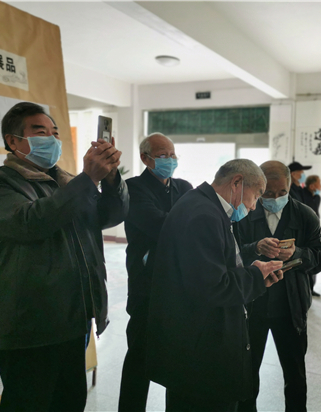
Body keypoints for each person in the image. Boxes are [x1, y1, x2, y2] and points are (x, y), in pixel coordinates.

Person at [0, 101, 129, 411]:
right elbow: (31, 222)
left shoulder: (66, 182)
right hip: (32, 327)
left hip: (75, 320)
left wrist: (110, 178)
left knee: (69, 402)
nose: (51, 139)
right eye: (40, 132)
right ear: (13, 141)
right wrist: (87, 180)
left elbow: (109, 216)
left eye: (54, 133)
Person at [146, 159, 285, 411]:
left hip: (193, 344)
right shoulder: (204, 215)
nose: (254, 206)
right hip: (201, 352)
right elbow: (214, 287)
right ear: (237, 182)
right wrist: (255, 275)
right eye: (256, 196)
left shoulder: (201, 205)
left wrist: (255, 275)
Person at [236, 161, 321, 412]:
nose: (275, 198)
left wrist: (298, 254)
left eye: (282, 193)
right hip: (252, 306)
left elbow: (320, 258)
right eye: (268, 193)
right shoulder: (244, 213)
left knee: (295, 374)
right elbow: (230, 254)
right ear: (259, 187)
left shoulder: (305, 215)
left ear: (290, 186)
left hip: (291, 307)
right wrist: (255, 248)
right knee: (247, 374)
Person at [118, 133, 192, 411]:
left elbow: (194, 223)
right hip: (146, 285)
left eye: (172, 155)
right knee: (140, 357)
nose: (169, 160)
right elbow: (159, 225)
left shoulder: (184, 187)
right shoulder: (133, 188)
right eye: (163, 155)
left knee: (180, 359)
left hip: (180, 285)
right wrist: (185, 224)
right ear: (145, 158)